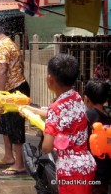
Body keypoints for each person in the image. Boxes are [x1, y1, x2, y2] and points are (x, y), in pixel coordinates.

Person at [42, 53, 96, 194]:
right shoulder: (76, 96)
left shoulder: (56, 108)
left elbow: (46, 147)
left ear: (50, 79)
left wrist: (49, 133)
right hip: (86, 164)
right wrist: (30, 110)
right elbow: (61, 115)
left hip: (70, 170)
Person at [0, 24, 30, 175]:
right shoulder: (9, 43)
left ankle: (19, 164)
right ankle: (8, 156)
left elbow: (2, 69)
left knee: (15, 126)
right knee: (5, 124)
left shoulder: (1, 46)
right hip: (12, 89)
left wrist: (0, 94)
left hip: (14, 91)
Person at [84, 78, 111, 194]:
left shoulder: (85, 117)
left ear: (86, 99)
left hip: (89, 172)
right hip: (105, 173)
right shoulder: (109, 119)